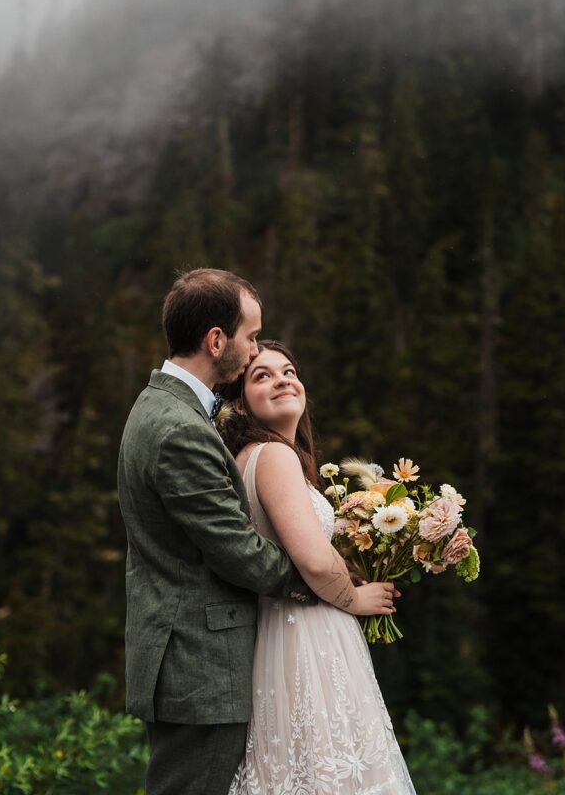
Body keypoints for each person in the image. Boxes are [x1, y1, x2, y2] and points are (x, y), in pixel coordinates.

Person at [117, 269, 398, 795]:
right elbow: (238, 551)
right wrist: (337, 592)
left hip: (205, 657)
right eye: (250, 339)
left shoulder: (169, 412)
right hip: (199, 663)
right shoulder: (179, 428)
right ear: (216, 340)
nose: (252, 352)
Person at [219, 339, 417, 795]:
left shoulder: (255, 458)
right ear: (240, 402)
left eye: (288, 371)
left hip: (284, 629)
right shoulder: (274, 456)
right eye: (262, 375)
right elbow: (308, 557)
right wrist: (353, 596)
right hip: (305, 634)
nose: (283, 379)